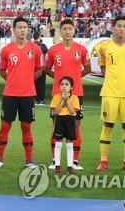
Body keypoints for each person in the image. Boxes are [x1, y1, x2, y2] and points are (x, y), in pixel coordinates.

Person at [0, 16, 44, 169]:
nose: (23, 30)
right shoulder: (7, 50)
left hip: (28, 94)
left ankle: (29, 160)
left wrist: (27, 80)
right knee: (5, 126)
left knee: (26, 127)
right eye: (20, 27)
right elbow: (2, 70)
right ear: (14, 29)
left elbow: (40, 70)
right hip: (10, 94)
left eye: (25, 27)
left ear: (28, 30)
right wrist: (12, 80)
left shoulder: (35, 49)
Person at [97, 16, 125, 171]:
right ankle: (103, 161)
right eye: (118, 26)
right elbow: (103, 68)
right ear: (113, 27)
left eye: (124, 26)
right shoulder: (104, 47)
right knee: (108, 124)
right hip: (109, 91)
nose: (121, 28)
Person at [45, 19, 91, 170]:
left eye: (70, 29)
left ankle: (74, 161)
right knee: (55, 125)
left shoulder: (82, 49)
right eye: (64, 29)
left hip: (76, 94)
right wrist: (59, 81)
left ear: (74, 30)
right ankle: (54, 160)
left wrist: (74, 81)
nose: (67, 31)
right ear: (61, 31)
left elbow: (87, 68)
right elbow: (47, 68)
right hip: (57, 94)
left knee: (76, 125)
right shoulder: (53, 50)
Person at [50, 76, 80, 174]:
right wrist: (62, 100)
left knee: (69, 144)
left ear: (71, 87)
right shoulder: (56, 97)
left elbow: (72, 112)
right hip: (59, 120)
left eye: (66, 84)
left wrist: (67, 100)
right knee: (58, 143)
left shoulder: (75, 98)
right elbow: (56, 112)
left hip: (69, 120)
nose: (64, 86)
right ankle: (57, 166)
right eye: (62, 84)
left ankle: (69, 166)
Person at [33, 32, 48, 105]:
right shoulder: (43, 46)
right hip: (41, 67)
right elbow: (47, 55)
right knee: (41, 84)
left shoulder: (31, 46)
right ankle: (41, 100)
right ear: (39, 37)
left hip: (33, 68)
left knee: (34, 84)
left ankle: (35, 99)